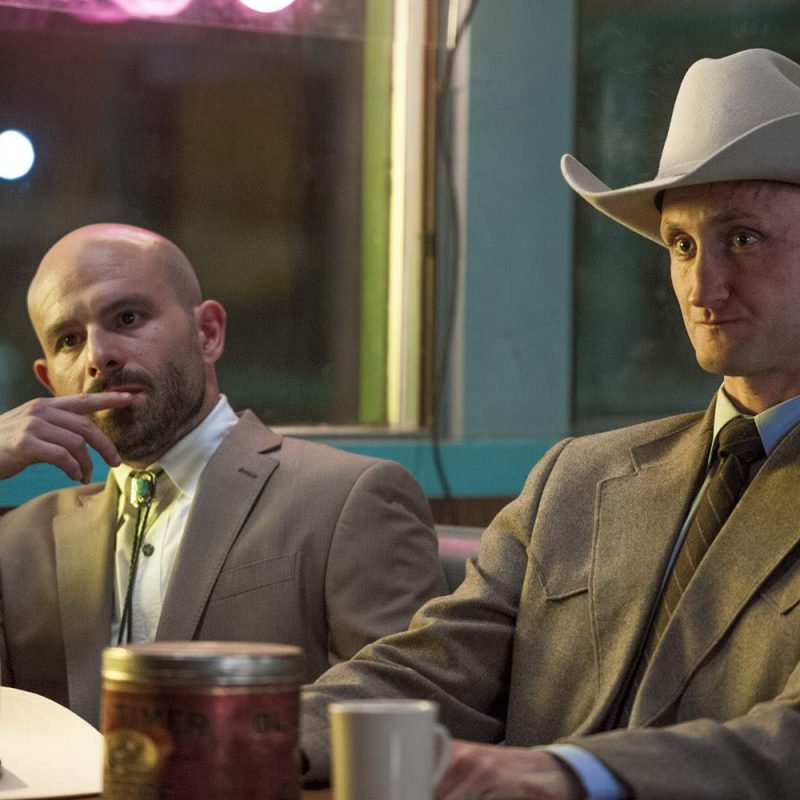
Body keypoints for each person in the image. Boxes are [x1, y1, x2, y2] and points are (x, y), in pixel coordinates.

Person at [300, 47, 800, 800]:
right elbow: (433, 669)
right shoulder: (578, 477)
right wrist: (252, 731)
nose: (703, 286)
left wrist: (570, 772)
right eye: (682, 245)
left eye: (743, 239)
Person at [0, 222, 447, 727]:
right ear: (48, 381)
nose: (97, 356)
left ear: (207, 332)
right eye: (69, 340)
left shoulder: (348, 497)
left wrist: (223, 749)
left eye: (127, 318)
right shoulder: (16, 542)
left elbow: (407, 704)